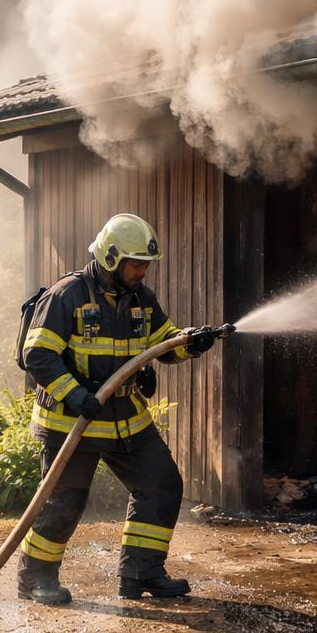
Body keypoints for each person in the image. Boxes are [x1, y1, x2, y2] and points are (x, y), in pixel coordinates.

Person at [17, 213, 219, 605]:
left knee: (161, 484)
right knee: (66, 500)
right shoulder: (67, 295)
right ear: (111, 258)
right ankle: (35, 578)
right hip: (71, 420)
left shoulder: (142, 299)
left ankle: (141, 573)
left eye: (146, 265)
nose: (143, 271)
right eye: (136, 264)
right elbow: (38, 356)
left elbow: (164, 344)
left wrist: (191, 342)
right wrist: (76, 395)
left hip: (125, 418)